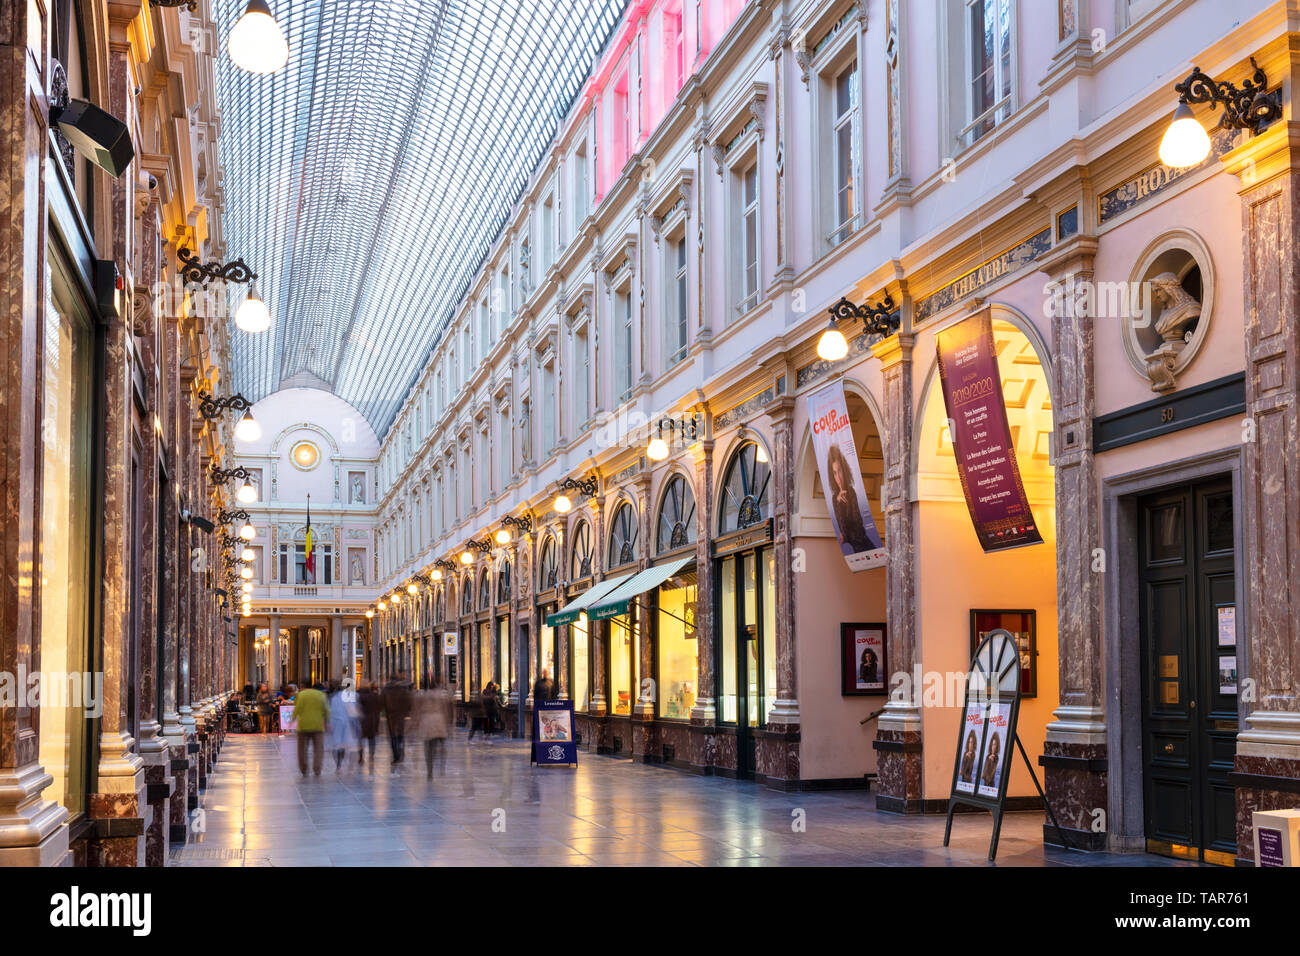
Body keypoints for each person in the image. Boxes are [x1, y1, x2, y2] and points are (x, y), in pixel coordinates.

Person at [827, 442, 874, 554]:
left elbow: (858, 522)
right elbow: (841, 527)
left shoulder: (851, 491)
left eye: (839, 471)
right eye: (834, 473)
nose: (838, 477)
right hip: (853, 547)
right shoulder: (835, 498)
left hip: (862, 542)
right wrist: (838, 503)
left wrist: (846, 535)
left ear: (844, 470)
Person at [292, 681, 331, 777]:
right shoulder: (321, 695)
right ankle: (317, 769)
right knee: (318, 749)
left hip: (303, 725)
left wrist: (292, 719)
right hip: (318, 725)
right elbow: (326, 710)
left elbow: (297, 708)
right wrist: (328, 722)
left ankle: (304, 769)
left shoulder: (300, 695)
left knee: (302, 749)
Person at [382, 671, 413, 769]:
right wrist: (407, 711)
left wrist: (384, 711)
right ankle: (401, 751)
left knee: (393, 736)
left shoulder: (386, 690)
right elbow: (408, 701)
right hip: (400, 716)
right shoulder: (402, 689)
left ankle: (396, 756)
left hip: (391, 716)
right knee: (400, 734)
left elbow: (382, 702)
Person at [327, 680, 358, 772]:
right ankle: (341, 763)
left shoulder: (333, 698)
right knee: (343, 744)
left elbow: (330, 711)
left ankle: (338, 764)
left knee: (336, 744)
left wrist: (329, 723)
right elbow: (353, 711)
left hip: (336, 723)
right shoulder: (348, 698)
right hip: (346, 723)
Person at [357, 681, 381, 769]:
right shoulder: (374, 696)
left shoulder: (358, 696)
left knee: (360, 740)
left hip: (361, 720)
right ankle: (371, 755)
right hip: (372, 720)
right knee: (372, 739)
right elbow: (379, 708)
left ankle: (360, 756)